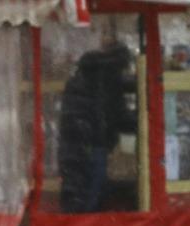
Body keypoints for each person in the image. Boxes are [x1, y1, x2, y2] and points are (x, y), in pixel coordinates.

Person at [58, 36, 136, 213]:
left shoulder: (82, 77)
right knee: (92, 191)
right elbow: (119, 116)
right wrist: (142, 121)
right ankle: (85, 224)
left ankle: (75, 223)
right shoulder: (109, 79)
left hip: (72, 142)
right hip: (94, 142)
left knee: (77, 189)